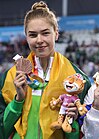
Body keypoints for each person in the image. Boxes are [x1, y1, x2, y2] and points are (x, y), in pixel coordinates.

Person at [0, 1, 91, 139]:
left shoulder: (76, 77)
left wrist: (73, 121)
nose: (39, 40)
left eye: (45, 33)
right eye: (33, 35)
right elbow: (3, 131)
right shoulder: (10, 77)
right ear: (26, 37)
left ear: (56, 34)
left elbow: (85, 132)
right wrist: (18, 100)